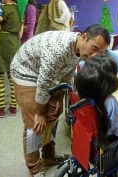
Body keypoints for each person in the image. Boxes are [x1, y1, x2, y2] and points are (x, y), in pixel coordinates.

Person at [10, 24, 110, 176]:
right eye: (94, 48)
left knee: (54, 114)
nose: (95, 56)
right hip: (26, 73)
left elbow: (67, 73)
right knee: (34, 124)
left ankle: (48, 155)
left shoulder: (79, 48)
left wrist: (58, 98)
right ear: (83, 37)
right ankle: (34, 168)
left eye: (100, 52)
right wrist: (40, 113)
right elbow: (43, 83)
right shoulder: (58, 49)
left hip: (46, 75)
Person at [75, 56, 118, 144]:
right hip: (105, 146)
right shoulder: (110, 101)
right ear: (110, 80)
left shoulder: (77, 93)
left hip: (84, 142)